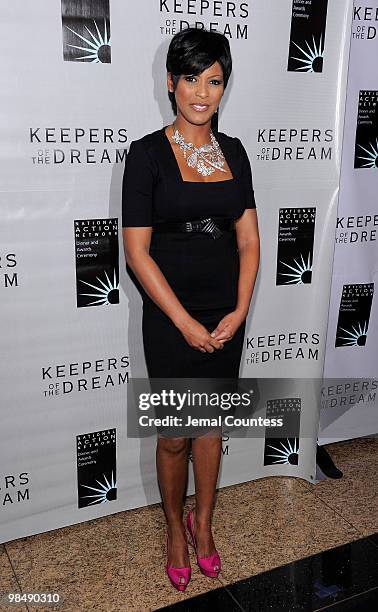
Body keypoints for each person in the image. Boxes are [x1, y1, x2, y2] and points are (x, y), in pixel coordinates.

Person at [122, 27, 260, 592]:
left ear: (224, 87)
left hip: (226, 316)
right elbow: (136, 252)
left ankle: (203, 525)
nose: (202, 92)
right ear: (171, 83)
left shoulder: (236, 152)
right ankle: (174, 532)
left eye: (215, 80)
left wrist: (239, 310)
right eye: (191, 79)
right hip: (171, 317)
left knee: (210, 430)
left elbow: (249, 241)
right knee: (176, 433)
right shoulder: (146, 155)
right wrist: (184, 322)